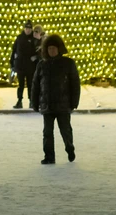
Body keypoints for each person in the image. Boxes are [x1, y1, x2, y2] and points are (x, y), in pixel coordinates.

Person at [31, 34, 79, 165]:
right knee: (47, 133)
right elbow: (36, 85)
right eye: (49, 48)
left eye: (54, 48)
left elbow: (75, 83)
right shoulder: (42, 65)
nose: (51, 51)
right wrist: (34, 102)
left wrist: (74, 102)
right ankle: (49, 156)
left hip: (63, 105)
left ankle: (70, 148)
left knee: (65, 131)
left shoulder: (68, 63)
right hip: (47, 105)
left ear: (59, 49)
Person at [11, 20, 39, 108]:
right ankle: (19, 100)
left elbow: (39, 50)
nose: (28, 30)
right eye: (26, 28)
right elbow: (14, 50)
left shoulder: (34, 39)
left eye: (29, 29)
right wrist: (12, 63)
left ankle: (31, 101)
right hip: (21, 65)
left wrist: (36, 57)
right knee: (21, 85)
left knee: (30, 84)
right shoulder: (19, 38)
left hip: (30, 66)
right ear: (24, 29)